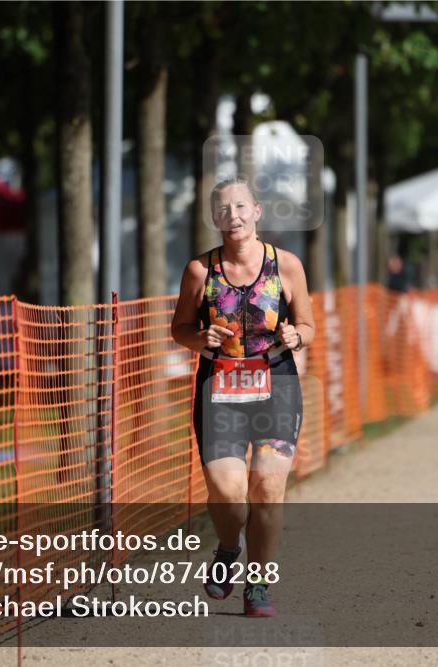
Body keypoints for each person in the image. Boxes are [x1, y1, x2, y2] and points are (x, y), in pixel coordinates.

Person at [171, 175, 315, 617]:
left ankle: (259, 584)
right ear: (214, 217)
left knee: (268, 489)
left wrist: (295, 336)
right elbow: (180, 329)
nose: (232, 216)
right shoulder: (200, 271)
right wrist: (200, 339)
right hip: (221, 389)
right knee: (229, 495)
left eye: (239, 207)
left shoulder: (286, 265)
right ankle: (229, 547)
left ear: (256, 212)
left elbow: (308, 326)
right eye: (222, 209)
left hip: (277, 385)